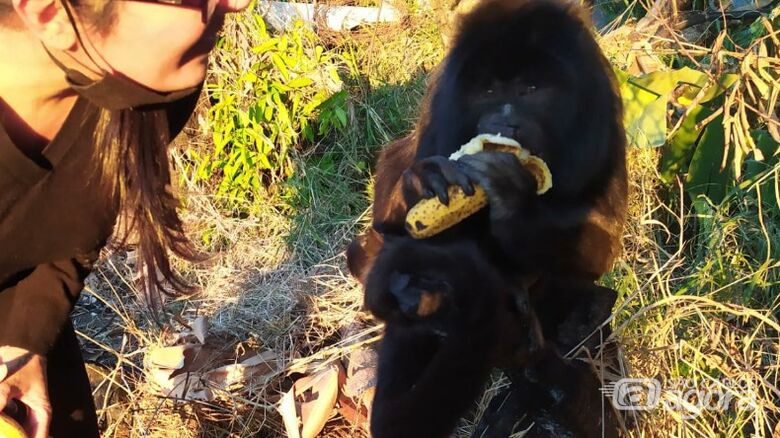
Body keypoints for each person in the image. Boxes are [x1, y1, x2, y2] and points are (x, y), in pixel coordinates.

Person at [0, 0, 251, 436]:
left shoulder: (139, 88)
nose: (238, 3)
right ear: (48, 13)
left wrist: (26, 337)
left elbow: (73, 223)